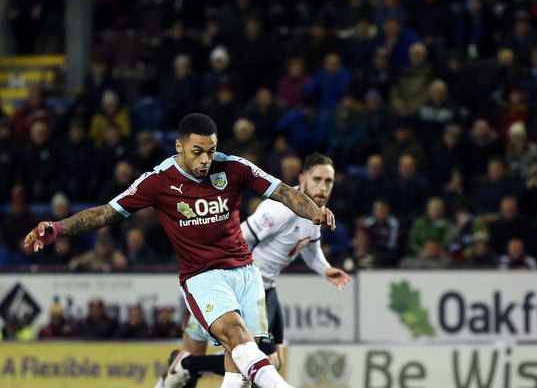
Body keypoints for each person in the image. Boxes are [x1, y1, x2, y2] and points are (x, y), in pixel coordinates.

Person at [25, 113, 335, 388]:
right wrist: (58, 228)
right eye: (197, 152)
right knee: (238, 339)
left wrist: (314, 212)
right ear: (179, 147)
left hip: (245, 272)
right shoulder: (158, 182)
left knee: (241, 364)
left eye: (210, 151)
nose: (205, 160)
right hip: (203, 277)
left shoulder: (233, 168)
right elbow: (106, 213)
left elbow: (283, 191)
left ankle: (182, 368)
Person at [159, 153, 351, 388]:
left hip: (268, 288)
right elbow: (240, 238)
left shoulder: (315, 213)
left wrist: (325, 269)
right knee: (255, 358)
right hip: (245, 287)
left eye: (328, 181)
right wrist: (229, 281)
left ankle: (188, 364)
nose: (323, 187)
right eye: (317, 179)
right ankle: (187, 364)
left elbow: (310, 246)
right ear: (302, 179)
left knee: (272, 360)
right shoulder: (278, 210)